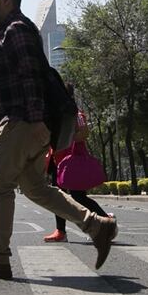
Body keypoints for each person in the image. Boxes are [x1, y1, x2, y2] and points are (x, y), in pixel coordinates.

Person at [0, 0, 117, 280]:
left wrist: (32, 123)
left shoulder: (16, 29)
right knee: (36, 188)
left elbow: (31, 77)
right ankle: (97, 225)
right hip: (25, 120)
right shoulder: (13, 29)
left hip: (23, 120)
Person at [43, 90, 112, 242]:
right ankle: (60, 232)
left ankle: (106, 222)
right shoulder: (56, 115)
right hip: (57, 161)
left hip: (72, 163)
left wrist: (65, 137)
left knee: (79, 197)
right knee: (58, 198)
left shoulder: (76, 114)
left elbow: (84, 132)